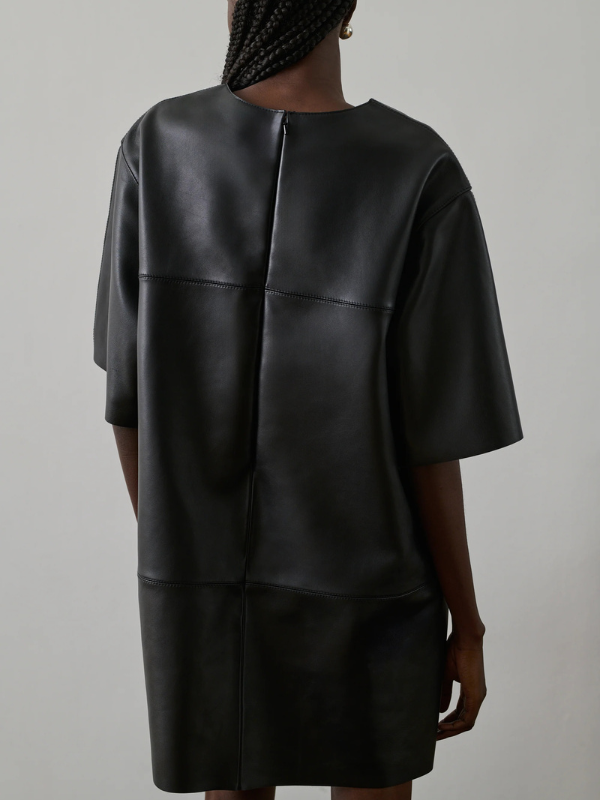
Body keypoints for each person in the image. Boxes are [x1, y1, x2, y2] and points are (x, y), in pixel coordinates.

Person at [93, 1, 523, 798]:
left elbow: (130, 404)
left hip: (206, 597)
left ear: (236, 7)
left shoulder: (157, 146)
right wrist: (467, 624)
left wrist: (186, 569)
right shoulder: (416, 167)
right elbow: (430, 442)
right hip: (376, 589)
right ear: (347, 9)